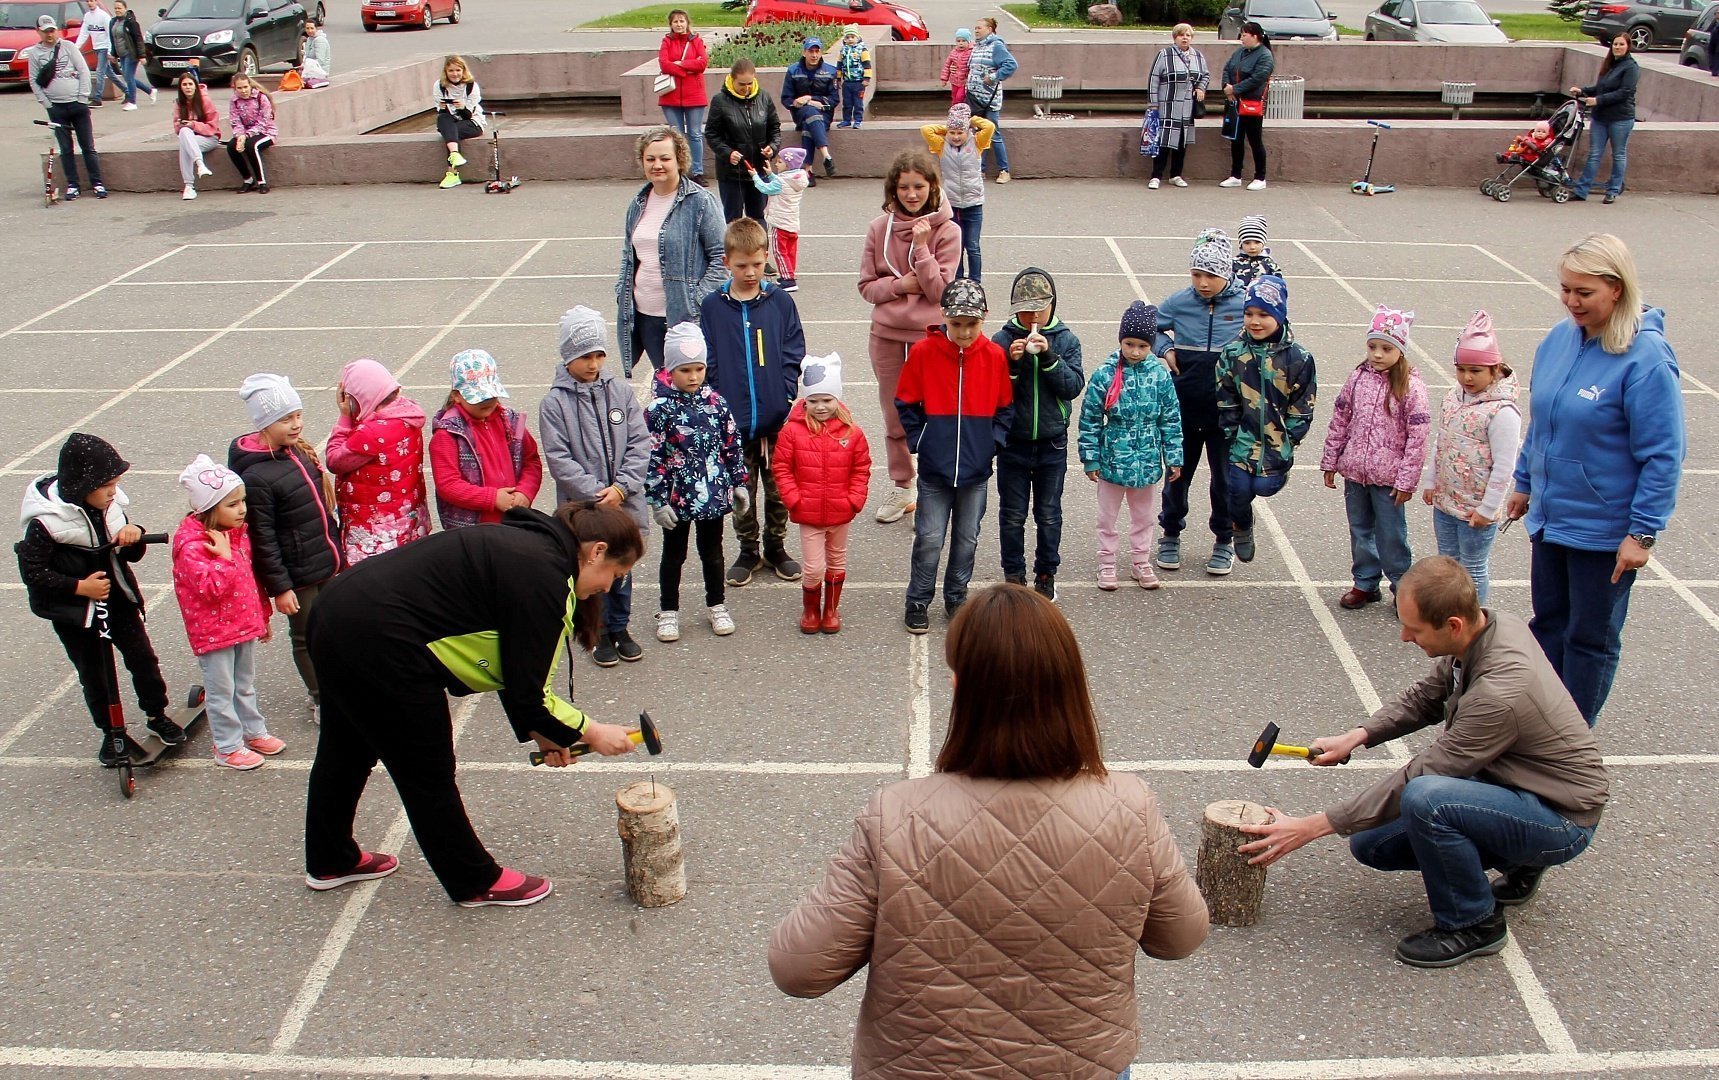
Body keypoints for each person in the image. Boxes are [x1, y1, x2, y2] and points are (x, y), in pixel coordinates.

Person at [770, 584, 1209, 1074]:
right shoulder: (1129, 807)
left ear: (959, 688)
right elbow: (1182, 936)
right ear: (1070, 688)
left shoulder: (896, 818)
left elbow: (798, 969)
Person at [1236, 557, 1609, 969]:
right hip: (1516, 789)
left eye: (1413, 630)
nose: (1403, 637)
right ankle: (1519, 859)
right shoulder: (1486, 627)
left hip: (1562, 818)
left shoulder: (1500, 694)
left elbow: (1427, 773)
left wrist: (1313, 826)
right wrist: (1357, 736)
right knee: (1371, 843)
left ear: (1452, 625)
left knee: (1428, 800)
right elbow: (1427, 696)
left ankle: (1474, 923)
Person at [303, 502, 645, 908]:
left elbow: (513, 669)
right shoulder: (546, 580)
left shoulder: (534, 549)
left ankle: (329, 858)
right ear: (597, 551)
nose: (608, 587)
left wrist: (549, 735)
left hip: (340, 611)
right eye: (615, 574)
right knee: (426, 770)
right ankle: (473, 880)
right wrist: (591, 731)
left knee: (347, 747)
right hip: (381, 639)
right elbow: (531, 695)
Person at [1505, 233, 1683, 726]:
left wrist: (1642, 532)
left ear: (1617, 290)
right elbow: (1542, 420)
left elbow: (1663, 455)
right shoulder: (1559, 339)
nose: (1571, 301)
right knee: (1549, 625)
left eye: (1584, 293)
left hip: (1605, 532)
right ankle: (1538, 721)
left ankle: (1569, 739)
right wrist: (1524, 481)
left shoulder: (1646, 360)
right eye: (1565, 289)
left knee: (1590, 639)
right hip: (1552, 519)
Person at [16, 433, 182, 765]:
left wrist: (133, 535)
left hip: (117, 599)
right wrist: (79, 588)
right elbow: (33, 573)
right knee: (95, 673)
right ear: (82, 485)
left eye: (116, 484)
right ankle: (111, 733)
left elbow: (129, 554)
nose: (113, 491)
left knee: (143, 659)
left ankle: (156, 714)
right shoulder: (46, 522)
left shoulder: (111, 505)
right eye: (106, 485)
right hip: (76, 614)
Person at [896, 278, 1012, 633]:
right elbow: (905, 402)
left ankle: (956, 597)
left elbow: (1005, 407)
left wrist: (992, 443)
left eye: (972, 324)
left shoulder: (994, 356)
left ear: (984, 319)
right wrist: (921, 440)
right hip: (935, 470)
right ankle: (918, 599)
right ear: (944, 317)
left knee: (967, 539)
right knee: (930, 538)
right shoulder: (923, 353)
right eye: (956, 323)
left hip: (976, 472)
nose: (963, 332)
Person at [540, 308, 650, 668]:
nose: (592, 363)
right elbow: (560, 459)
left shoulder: (619, 391)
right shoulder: (554, 403)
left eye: (598, 355)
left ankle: (620, 627)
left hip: (623, 503)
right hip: (586, 512)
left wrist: (621, 488)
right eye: (584, 356)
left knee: (620, 566)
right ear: (568, 357)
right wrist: (596, 495)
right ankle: (597, 630)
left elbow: (639, 442)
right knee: (590, 569)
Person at [230, 374, 341, 726]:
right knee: (306, 637)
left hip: (324, 560)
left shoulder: (295, 453)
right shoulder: (258, 476)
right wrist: (280, 587)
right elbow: (262, 536)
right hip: (297, 573)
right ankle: (322, 698)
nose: (297, 424)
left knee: (334, 628)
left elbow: (321, 513)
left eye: (298, 415)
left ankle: (342, 686)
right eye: (286, 419)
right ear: (264, 424)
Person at [858, 150, 962, 525]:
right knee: (894, 417)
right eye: (904, 187)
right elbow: (866, 287)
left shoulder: (948, 230)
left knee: (937, 412)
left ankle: (936, 483)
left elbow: (940, 292)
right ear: (894, 189)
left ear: (932, 187)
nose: (911, 194)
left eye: (919, 186)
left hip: (930, 337)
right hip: (886, 335)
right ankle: (903, 486)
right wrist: (900, 284)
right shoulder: (877, 228)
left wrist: (921, 248)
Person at [700, 217, 805, 587]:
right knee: (740, 490)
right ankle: (748, 549)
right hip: (732, 422)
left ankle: (776, 547)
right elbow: (707, 356)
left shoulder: (779, 302)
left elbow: (793, 348)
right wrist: (714, 399)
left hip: (776, 420)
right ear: (727, 262)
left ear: (766, 261)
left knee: (779, 489)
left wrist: (787, 390)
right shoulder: (713, 307)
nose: (750, 272)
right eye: (742, 265)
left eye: (757, 265)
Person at [172, 455, 282, 771]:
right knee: (222, 690)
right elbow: (209, 589)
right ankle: (227, 746)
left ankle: (253, 731)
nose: (242, 510)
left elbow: (249, 579)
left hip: (243, 623)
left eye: (242, 501)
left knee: (244, 683)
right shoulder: (193, 545)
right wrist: (223, 558)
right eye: (232, 505)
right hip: (214, 631)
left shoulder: (238, 534)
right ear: (209, 508)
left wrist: (261, 616)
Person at [1321, 305, 1430, 610]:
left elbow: (1417, 438)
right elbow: (1340, 418)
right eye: (1372, 347)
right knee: (1360, 528)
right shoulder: (1357, 378)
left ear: (1401, 350)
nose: (1378, 354)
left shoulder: (1410, 387)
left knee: (1392, 534)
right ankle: (1365, 582)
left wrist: (1407, 480)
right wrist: (1331, 460)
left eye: (1386, 348)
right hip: (1355, 472)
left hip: (1389, 478)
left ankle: (1401, 586)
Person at [647, 323, 749, 642]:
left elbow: (731, 444)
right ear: (670, 369)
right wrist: (657, 499)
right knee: (674, 555)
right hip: (677, 497)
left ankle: (716, 604)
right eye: (685, 370)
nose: (693, 377)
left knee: (713, 552)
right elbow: (652, 455)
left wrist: (739, 482)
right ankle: (668, 610)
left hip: (714, 496)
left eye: (699, 369)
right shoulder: (658, 409)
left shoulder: (716, 403)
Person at [1152, 228, 1245, 575]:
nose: (1203, 283)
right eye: (1197, 274)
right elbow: (1151, 328)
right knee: (1177, 474)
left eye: (1212, 275)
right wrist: (1166, 348)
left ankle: (1224, 539)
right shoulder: (1179, 302)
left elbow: (1273, 329)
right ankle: (1170, 533)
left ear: (1227, 273)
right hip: (1184, 408)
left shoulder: (1244, 304)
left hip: (1227, 414)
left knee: (1225, 481)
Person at [992, 266, 1084, 599]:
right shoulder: (1002, 340)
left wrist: (1048, 356)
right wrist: (1012, 364)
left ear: (1052, 306)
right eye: (1025, 309)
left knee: (1048, 514)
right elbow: (996, 394)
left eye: (1039, 308)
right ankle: (1013, 575)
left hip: (1051, 443)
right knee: (1012, 514)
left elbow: (1072, 387)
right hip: (1013, 443)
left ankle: (1046, 573)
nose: (1032, 315)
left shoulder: (1066, 340)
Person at [1079, 301, 1183, 594]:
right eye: (1129, 344)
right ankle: (1107, 562)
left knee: (1144, 517)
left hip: (1147, 460)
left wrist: (1173, 457)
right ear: (1120, 340)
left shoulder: (1160, 375)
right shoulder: (1106, 373)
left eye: (1142, 346)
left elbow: (1170, 417)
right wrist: (1091, 458)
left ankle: (1141, 560)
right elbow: (1089, 417)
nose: (1135, 351)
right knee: (1107, 518)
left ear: (1151, 345)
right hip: (1112, 459)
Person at [1420, 310, 1520, 605]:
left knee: (1472, 568)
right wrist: (1431, 479)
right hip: (1446, 500)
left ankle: (1474, 623)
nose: (1467, 377)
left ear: (1495, 370)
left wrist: (1488, 508)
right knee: (1447, 565)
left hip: (1476, 507)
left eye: (1476, 370)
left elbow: (1504, 466)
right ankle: (1449, 615)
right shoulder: (1453, 397)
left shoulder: (1502, 412)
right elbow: (1443, 439)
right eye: (1461, 369)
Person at [1217, 274, 1316, 565]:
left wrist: (1291, 437)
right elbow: (1225, 394)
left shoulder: (1299, 358)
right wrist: (1231, 432)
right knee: (1236, 492)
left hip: (1276, 444)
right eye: (1249, 314)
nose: (1254, 321)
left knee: (1263, 487)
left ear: (1279, 315)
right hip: (1242, 441)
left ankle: (1275, 477)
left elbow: (1303, 404)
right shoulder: (1234, 353)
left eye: (1263, 314)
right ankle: (1242, 527)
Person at [772, 353, 871, 634]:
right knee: (814, 567)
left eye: (827, 400)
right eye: (813, 400)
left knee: (837, 561)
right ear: (805, 401)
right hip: (809, 513)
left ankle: (831, 609)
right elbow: (782, 467)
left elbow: (861, 468)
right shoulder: (792, 432)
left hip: (841, 511)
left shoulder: (853, 433)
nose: (820, 406)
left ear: (837, 400)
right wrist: (794, 499)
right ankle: (811, 609)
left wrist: (855, 499)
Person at [617, 127, 727, 376]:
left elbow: (723, 258)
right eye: (650, 159)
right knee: (666, 386)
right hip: (645, 316)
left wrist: (696, 300)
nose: (658, 165)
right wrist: (621, 292)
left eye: (665, 158)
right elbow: (629, 255)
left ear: (679, 159)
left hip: (684, 317)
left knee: (694, 388)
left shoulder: (701, 201)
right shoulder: (638, 203)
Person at [326, 358, 430, 565]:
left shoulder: (370, 434)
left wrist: (345, 418)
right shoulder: (408, 416)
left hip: (375, 534)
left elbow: (334, 460)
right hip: (407, 523)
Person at [430, 349, 544, 530]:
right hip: (471, 529)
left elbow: (531, 460)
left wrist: (525, 491)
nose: (486, 401)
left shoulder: (513, 422)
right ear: (456, 396)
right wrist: (492, 498)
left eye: (490, 394)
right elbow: (448, 484)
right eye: (478, 397)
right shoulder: (447, 434)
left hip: (513, 519)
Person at [25, 15, 105, 201]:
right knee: (65, 149)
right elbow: (33, 81)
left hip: (77, 105)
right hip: (56, 108)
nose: (50, 34)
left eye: (52, 30)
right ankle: (73, 185)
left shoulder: (68, 47)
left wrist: (82, 98)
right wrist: (47, 104)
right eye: (46, 32)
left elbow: (84, 71)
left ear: (57, 31)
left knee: (88, 146)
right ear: (39, 32)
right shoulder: (35, 53)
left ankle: (97, 183)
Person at [919, 103, 993, 282]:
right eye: (952, 133)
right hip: (952, 204)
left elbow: (989, 127)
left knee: (973, 245)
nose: (956, 136)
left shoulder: (977, 143)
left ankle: (976, 281)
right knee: (956, 244)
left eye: (960, 132)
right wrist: (948, 127)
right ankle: (957, 278)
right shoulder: (941, 145)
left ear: (968, 131)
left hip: (973, 203)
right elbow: (925, 130)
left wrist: (971, 120)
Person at [706, 57, 780, 224]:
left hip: (759, 171)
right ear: (732, 80)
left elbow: (774, 128)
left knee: (759, 217)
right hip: (732, 174)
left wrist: (772, 147)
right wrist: (727, 153)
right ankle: (733, 251)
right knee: (734, 220)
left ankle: (762, 251)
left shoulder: (764, 97)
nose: (746, 88)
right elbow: (711, 134)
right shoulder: (720, 101)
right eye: (741, 84)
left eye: (749, 83)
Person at [1569, 34, 1638, 204]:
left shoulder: (1631, 67)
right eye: (1615, 44)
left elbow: (1624, 92)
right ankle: (1581, 190)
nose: (1617, 47)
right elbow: (1601, 88)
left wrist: (1598, 100)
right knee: (1594, 154)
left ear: (1628, 46)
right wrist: (1583, 90)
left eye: (1621, 44)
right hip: (1600, 117)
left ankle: (1613, 190)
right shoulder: (1610, 65)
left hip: (1620, 118)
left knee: (1619, 155)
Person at [1146, 23, 1209, 190]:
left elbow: (1205, 75)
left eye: (1188, 35)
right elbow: (1154, 79)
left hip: (1187, 106)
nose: (1185, 38)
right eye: (1182, 35)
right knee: (1163, 142)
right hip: (1167, 105)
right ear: (1175, 37)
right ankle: (1156, 176)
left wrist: (1201, 87)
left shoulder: (1198, 56)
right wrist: (1153, 104)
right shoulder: (1164, 54)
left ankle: (1176, 175)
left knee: (1182, 142)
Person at [657, 9, 709, 185]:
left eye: (682, 21)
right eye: (675, 22)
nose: (679, 24)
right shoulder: (666, 41)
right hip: (671, 96)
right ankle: (679, 170)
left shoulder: (696, 41)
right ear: (670, 24)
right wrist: (686, 70)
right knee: (677, 135)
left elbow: (702, 63)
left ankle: (697, 171)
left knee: (694, 134)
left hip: (694, 95)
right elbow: (664, 64)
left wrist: (679, 65)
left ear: (687, 23)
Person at [747, 146, 809, 292]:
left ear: (788, 165)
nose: (776, 164)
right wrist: (770, 174)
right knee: (791, 251)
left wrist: (755, 176)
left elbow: (765, 188)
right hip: (792, 222)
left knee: (780, 252)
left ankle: (788, 280)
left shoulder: (781, 182)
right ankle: (789, 274)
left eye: (780, 162)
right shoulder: (797, 178)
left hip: (779, 223)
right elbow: (781, 183)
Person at [1220, 22, 1274, 191]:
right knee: (1235, 140)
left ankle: (1260, 177)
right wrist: (1227, 89)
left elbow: (1257, 79)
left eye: (1244, 35)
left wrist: (1235, 89)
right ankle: (1236, 175)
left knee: (1255, 140)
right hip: (1234, 103)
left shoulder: (1265, 56)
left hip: (1251, 104)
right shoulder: (1240, 52)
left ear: (1255, 36)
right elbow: (1227, 69)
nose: (1241, 38)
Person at [965, 17, 1016, 183]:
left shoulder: (996, 46)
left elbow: (1011, 64)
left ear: (990, 29)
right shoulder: (976, 47)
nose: (976, 30)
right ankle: (981, 170)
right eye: (975, 28)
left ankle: (1004, 170)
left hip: (989, 100)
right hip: (975, 98)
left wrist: (994, 77)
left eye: (979, 27)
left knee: (993, 134)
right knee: (979, 134)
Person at [781, 37, 839, 178]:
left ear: (821, 53)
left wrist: (811, 100)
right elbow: (786, 99)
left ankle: (808, 170)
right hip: (800, 114)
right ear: (804, 52)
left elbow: (834, 99)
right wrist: (799, 102)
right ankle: (826, 155)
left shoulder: (831, 71)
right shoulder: (793, 70)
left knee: (810, 121)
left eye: (817, 51)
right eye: (810, 51)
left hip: (824, 115)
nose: (814, 55)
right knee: (810, 112)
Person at [433, 55, 485, 189]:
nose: (455, 74)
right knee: (443, 119)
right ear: (445, 72)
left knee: (451, 132)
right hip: (451, 121)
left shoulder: (471, 86)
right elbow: (442, 114)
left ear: (463, 71)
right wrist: (444, 108)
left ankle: (452, 174)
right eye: (451, 71)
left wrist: (462, 107)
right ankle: (455, 155)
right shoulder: (439, 85)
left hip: (472, 123)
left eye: (458, 70)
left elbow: (469, 115)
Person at [170, 70, 220, 201]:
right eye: (184, 84)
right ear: (180, 87)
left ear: (195, 85)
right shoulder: (178, 103)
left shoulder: (205, 100)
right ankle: (200, 166)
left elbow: (212, 127)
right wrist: (182, 125)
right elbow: (176, 126)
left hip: (209, 138)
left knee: (185, 142)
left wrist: (193, 125)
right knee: (184, 133)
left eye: (190, 84)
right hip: (189, 138)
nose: (188, 87)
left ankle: (189, 185)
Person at [226, 72, 277, 194]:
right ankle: (248, 180)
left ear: (250, 85)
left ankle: (261, 182)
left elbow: (263, 121)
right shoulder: (234, 100)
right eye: (239, 88)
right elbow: (235, 120)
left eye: (245, 87)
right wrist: (239, 136)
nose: (243, 91)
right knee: (231, 147)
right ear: (235, 88)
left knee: (251, 146)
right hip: (244, 133)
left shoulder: (261, 97)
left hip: (266, 132)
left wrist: (246, 136)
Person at [109, 0, 151, 109]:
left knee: (128, 77)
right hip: (121, 54)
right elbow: (113, 39)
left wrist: (142, 55)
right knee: (129, 77)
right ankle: (150, 91)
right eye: (116, 8)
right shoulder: (113, 22)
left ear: (125, 9)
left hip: (131, 54)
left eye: (120, 8)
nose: (117, 10)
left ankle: (132, 102)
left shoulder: (131, 22)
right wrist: (113, 53)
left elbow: (138, 39)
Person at [72, 0, 112, 107]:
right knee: (109, 73)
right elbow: (84, 33)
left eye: (92, 1)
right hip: (96, 48)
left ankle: (97, 99)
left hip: (104, 48)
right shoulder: (87, 16)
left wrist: (109, 50)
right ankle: (127, 91)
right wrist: (76, 48)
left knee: (99, 72)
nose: (90, 3)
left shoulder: (104, 16)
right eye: (88, 1)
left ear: (96, 2)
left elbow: (110, 35)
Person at [834, 25, 871, 129]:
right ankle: (846, 120)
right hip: (847, 82)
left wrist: (866, 78)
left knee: (858, 103)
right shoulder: (843, 50)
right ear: (844, 39)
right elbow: (839, 64)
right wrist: (838, 77)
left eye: (852, 37)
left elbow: (867, 65)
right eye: (847, 37)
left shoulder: (862, 50)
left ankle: (858, 120)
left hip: (859, 82)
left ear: (857, 38)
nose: (850, 39)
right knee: (847, 103)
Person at [1231, 215, 1283, 289]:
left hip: (1261, 298)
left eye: (1257, 242)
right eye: (1247, 243)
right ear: (1241, 244)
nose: (1252, 247)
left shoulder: (1269, 264)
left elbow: (1278, 286)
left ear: (1263, 243)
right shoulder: (1234, 263)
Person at [941, 27, 973, 105]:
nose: (960, 43)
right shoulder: (954, 52)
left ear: (968, 42)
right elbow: (947, 65)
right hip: (954, 80)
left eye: (963, 41)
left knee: (960, 97)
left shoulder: (971, 52)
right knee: (954, 96)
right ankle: (955, 110)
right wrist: (944, 79)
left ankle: (959, 109)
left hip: (965, 81)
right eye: (958, 41)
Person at [301, 17, 331, 88]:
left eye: (312, 28)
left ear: (316, 29)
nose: (310, 30)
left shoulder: (319, 40)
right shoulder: (309, 39)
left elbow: (320, 60)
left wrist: (307, 68)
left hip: (320, 72)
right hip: (312, 70)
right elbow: (307, 56)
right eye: (307, 28)